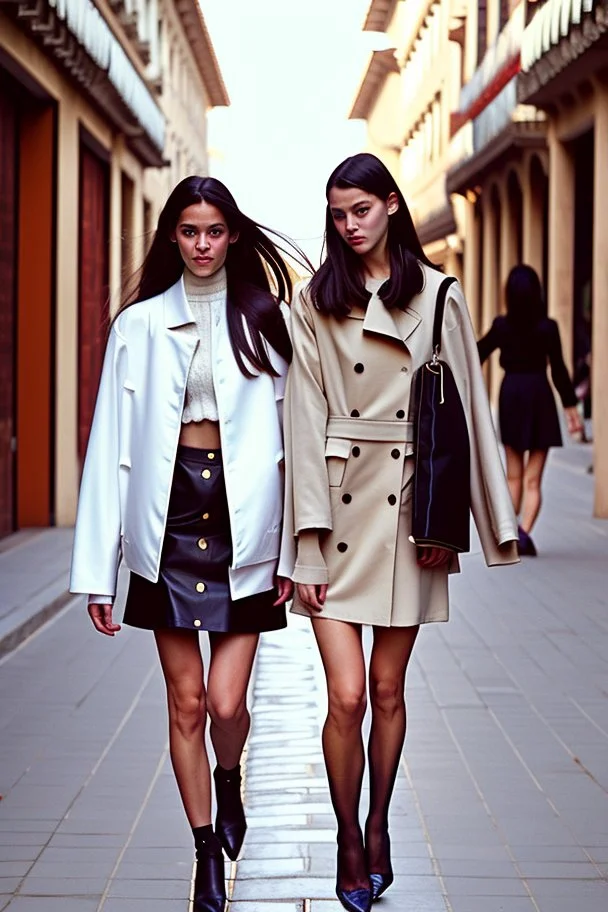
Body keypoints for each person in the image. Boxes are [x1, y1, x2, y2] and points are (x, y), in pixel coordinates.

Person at [281, 152, 519, 912]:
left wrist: (475, 524)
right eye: (337, 215)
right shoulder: (312, 303)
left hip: (412, 514)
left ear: (390, 205)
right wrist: (306, 541)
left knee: (387, 689)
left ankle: (380, 821)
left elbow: (468, 420)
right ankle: (348, 839)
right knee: (345, 695)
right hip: (336, 515)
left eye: (361, 210)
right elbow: (302, 421)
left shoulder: (440, 296)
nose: (349, 227)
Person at [70, 176, 300, 912]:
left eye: (215, 231)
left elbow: (296, 440)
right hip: (165, 523)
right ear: (173, 235)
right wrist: (96, 574)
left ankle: (228, 779)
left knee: (228, 704)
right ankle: (205, 852)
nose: (203, 244)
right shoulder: (137, 326)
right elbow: (110, 444)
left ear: (233, 235)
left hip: (244, 519)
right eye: (190, 231)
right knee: (188, 704)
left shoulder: (266, 317)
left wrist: (298, 550)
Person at [478, 264, 582, 556]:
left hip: (511, 395)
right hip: (540, 397)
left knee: (513, 476)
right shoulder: (548, 327)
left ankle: (511, 535)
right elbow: (559, 370)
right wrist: (571, 409)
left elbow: (478, 352)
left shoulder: (501, 326)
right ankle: (524, 533)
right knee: (533, 479)